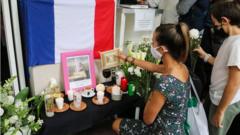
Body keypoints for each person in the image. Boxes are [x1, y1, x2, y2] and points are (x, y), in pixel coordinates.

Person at [112, 23, 190, 135]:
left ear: (162, 49)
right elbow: (154, 67)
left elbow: (147, 120)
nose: (151, 45)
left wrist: (151, 93)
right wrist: (126, 58)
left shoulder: (165, 83)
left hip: (159, 131)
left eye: (153, 42)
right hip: (177, 130)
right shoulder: (182, 68)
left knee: (116, 124)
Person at [194, 0, 240, 135]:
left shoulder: (237, 45)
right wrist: (205, 56)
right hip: (215, 97)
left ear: (224, 20)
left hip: (223, 102)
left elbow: (234, 83)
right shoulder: (230, 39)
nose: (214, 27)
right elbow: (222, 65)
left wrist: (220, 111)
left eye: (215, 24)